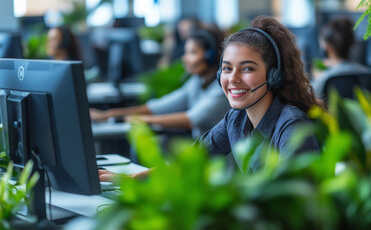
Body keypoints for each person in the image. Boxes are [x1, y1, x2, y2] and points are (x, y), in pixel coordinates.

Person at [99, 15, 324, 181]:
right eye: (227, 69)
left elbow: (295, 204)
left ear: (274, 76)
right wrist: (126, 178)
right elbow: (189, 162)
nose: (233, 79)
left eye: (247, 69)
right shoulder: (235, 120)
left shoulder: (292, 126)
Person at [91, 27, 230, 139]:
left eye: (192, 53)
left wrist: (142, 120)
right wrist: (108, 114)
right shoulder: (197, 82)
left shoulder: (221, 89)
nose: (184, 59)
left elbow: (190, 119)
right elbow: (157, 107)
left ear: (210, 56)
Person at [312, 17, 369, 97]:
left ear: (326, 45)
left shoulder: (325, 78)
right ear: (352, 43)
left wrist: (317, 78)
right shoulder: (367, 73)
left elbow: (310, 101)